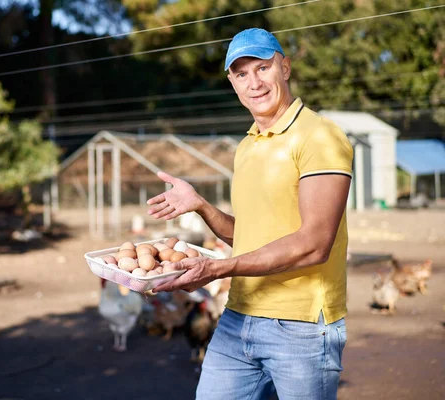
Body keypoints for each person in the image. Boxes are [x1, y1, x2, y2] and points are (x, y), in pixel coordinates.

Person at [147, 28, 353, 400]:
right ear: (232, 82)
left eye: (263, 68)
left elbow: (314, 245)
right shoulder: (246, 147)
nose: (253, 82)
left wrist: (218, 269)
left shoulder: (319, 136)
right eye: (241, 73)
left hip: (301, 326)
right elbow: (250, 238)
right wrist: (201, 207)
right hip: (238, 317)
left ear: (285, 68)